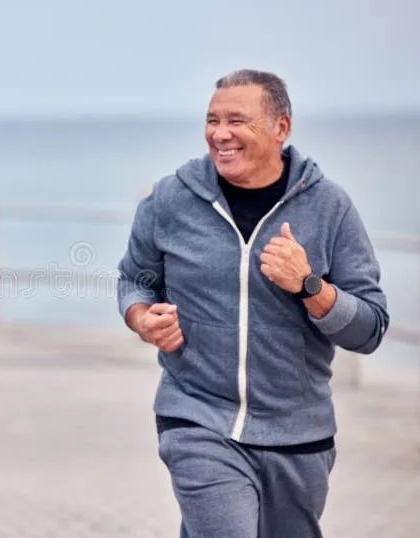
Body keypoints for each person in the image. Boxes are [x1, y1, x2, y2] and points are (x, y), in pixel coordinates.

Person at [117, 69, 388, 537]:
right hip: (198, 418)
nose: (220, 134)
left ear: (280, 128)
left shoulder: (329, 208)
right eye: (212, 120)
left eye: (237, 121)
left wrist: (310, 286)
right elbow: (135, 278)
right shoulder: (171, 200)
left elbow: (370, 328)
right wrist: (142, 317)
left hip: (299, 436)